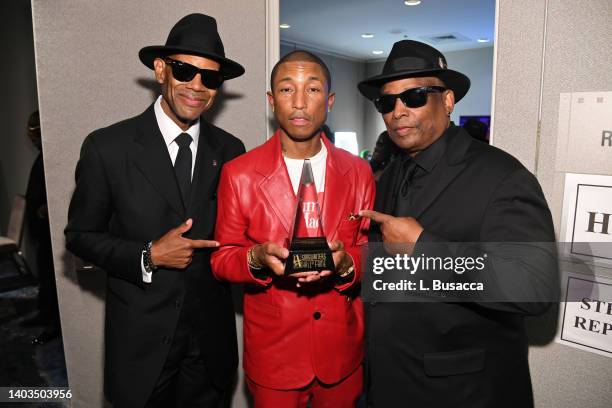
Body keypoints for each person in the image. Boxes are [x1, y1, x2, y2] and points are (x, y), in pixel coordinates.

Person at [357, 40, 556, 408]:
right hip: (386, 382)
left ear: (447, 101)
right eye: (386, 102)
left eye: (414, 96)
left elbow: (534, 285)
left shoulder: (502, 175)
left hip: (461, 393)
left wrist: (425, 250)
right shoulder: (385, 174)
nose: (398, 111)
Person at [64, 14, 245, 408]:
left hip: (209, 351)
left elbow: (237, 237)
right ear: (161, 70)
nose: (197, 87)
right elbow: (80, 237)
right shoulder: (107, 147)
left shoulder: (231, 151)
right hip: (141, 348)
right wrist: (148, 255)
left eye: (210, 78)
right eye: (185, 71)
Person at [211, 50, 375, 408]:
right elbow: (222, 259)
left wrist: (348, 263)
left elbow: (367, 248)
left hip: (342, 351)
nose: (300, 102)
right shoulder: (238, 173)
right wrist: (255, 257)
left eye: (313, 89)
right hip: (275, 354)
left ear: (329, 101)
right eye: (287, 90)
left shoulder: (358, 171)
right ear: (272, 101)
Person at [22, 110, 61, 345]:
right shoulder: (41, 158)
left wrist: (47, 208)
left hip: (49, 231)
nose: (31, 138)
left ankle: (53, 325)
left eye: (34, 132)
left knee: (51, 278)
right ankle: (45, 315)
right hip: (40, 231)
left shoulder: (49, 159)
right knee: (44, 276)